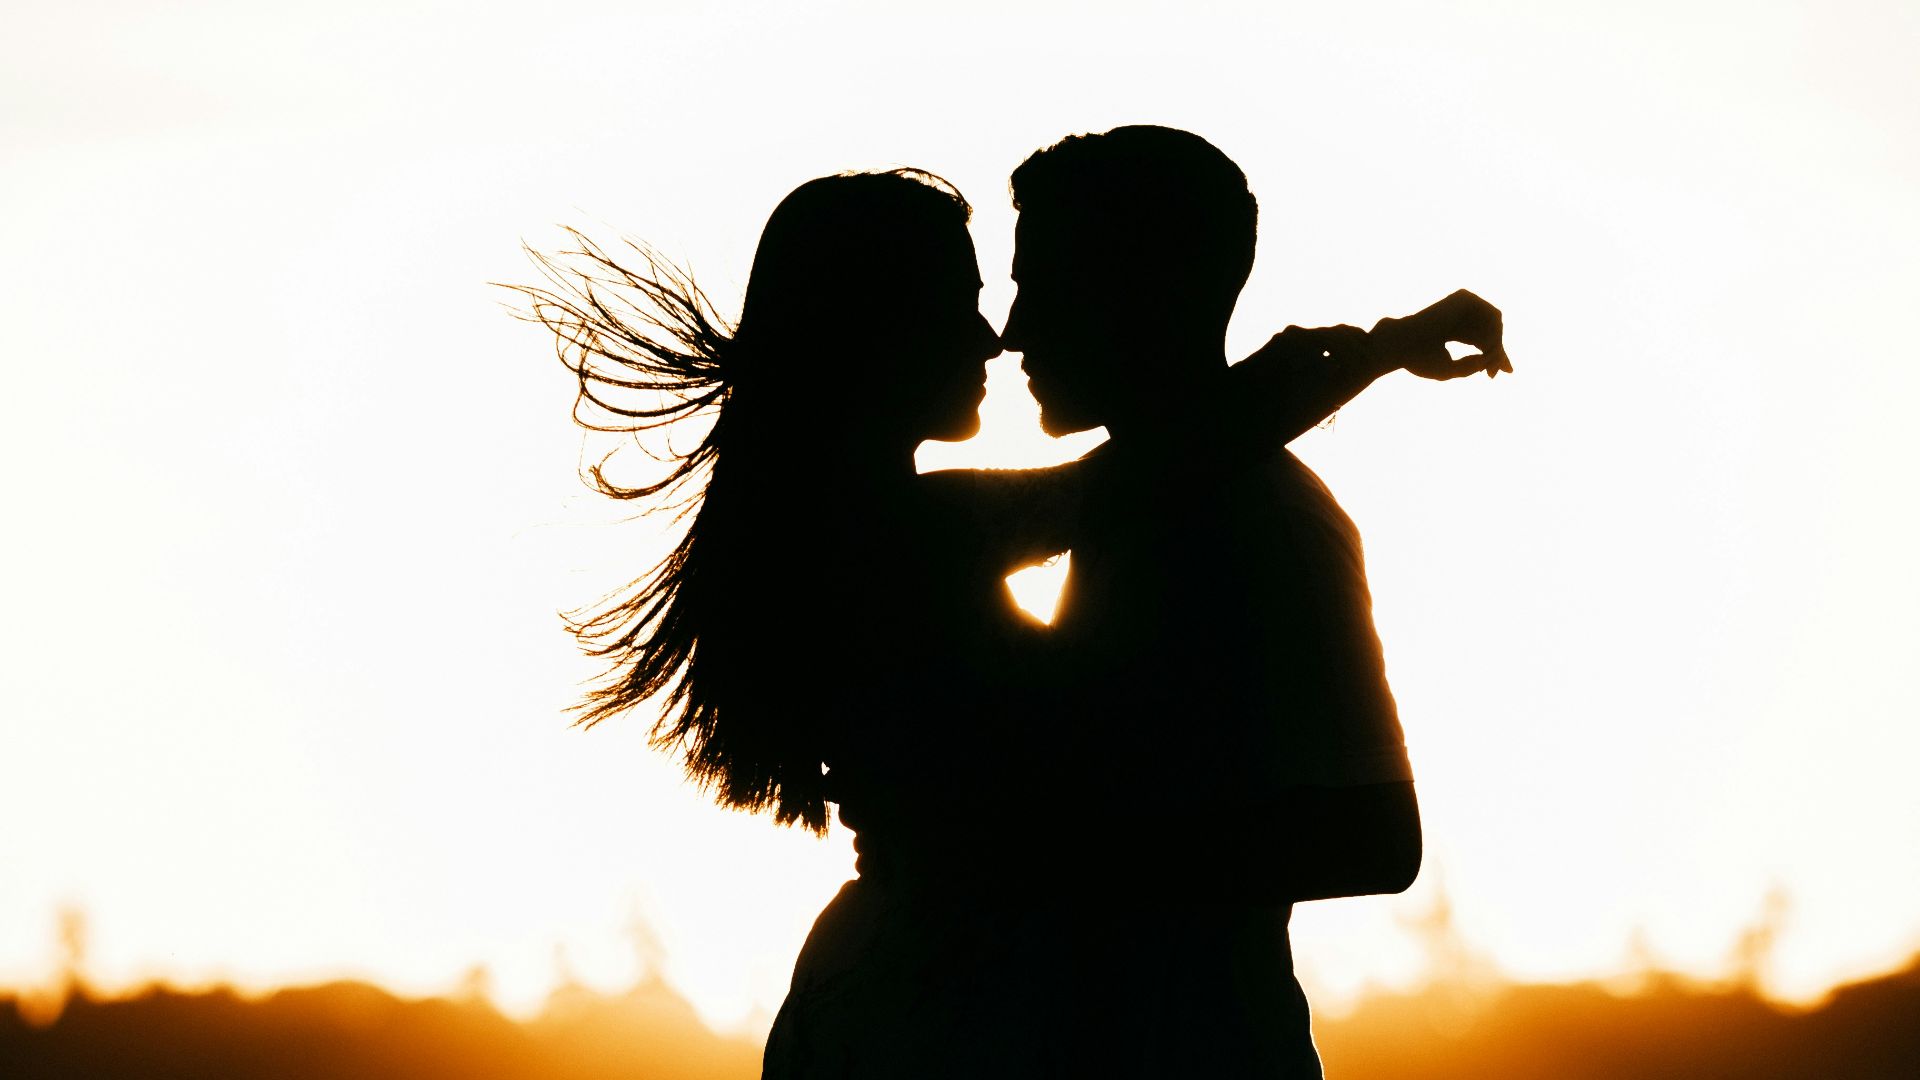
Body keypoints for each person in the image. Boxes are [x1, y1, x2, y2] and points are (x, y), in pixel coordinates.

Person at [507, 162, 1504, 1078]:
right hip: (930, 1018)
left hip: (912, 998)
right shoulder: (904, 533)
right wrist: (1385, 348)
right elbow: (1150, 470)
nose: (995, 337)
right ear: (877, 333)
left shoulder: (853, 527)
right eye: (963, 305)